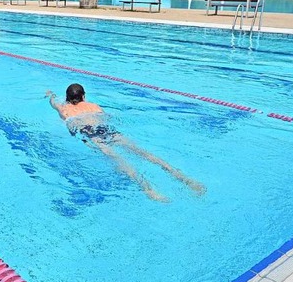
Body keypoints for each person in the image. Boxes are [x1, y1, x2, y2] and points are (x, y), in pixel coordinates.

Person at [46, 83, 205, 202]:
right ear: (84, 96)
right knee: (144, 153)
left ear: (67, 98)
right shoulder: (93, 105)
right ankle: (184, 178)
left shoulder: (64, 109)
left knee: (118, 159)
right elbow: (106, 117)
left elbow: (53, 103)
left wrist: (51, 95)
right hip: (106, 129)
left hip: (90, 133)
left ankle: (149, 190)